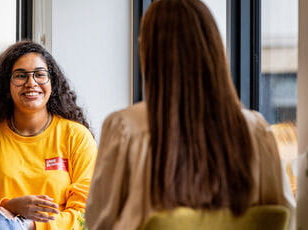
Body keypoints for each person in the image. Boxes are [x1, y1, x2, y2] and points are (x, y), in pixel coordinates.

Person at [85, 0, 291, 229]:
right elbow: (282, 215)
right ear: (214, 49)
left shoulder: (125, 127)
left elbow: (99, 222)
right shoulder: (256, 129)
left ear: (148, 52)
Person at [0, 40, 97, 230]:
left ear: (52, 83)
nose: (31, 83)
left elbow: (85, 213)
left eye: (40, 74)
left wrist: (30, 225)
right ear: (6, 87)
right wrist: (8, 207)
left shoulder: (76, 137)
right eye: (20, 76)